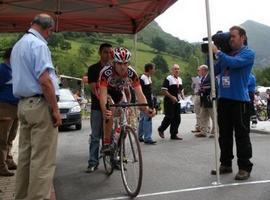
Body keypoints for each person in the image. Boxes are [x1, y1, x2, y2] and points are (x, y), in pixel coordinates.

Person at [11, 14, 61, 199]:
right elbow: (45, 81)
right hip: (40, 105)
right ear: (48, 30)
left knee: (25, 157)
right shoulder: (39, 45)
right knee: (42, 160)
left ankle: (21, 196)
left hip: (23, 104)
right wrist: (55, 110)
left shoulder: (18, 45)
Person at [211, 25, 255, 180]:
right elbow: (213, 71)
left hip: (239, 100)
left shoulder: (248, 53)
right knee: (224, 135)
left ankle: (244, 167)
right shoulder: (225, 55)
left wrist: (218, 52)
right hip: (224, 100)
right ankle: (226, 164)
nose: (230, 39)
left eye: (233, 36)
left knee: (242, 135)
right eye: (229, 37)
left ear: (242, 37)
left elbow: (234, 63)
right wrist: (211, 55)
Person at [99, 47, 155, 152]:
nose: (123, 67)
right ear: (114, 63)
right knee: (109, 110)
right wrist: (104, 110)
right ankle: (106, 142)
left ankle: (119, 142)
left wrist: (146, 109)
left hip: (119, 93)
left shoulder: (131, 73)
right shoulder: (106, 73)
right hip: (107, 92)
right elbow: (102, 95)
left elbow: (140, 93)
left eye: (125, 64)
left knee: (125, 114)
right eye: (119, 64)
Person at [86, 43, 112, 173]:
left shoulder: (114, 69)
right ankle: (93, 162)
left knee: (110, 135)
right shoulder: (93, 69)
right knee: (96, 135)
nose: (108, 55)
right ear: (100, 53)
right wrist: (103, 98)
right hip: (97, 107)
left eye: (110, 52)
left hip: (112, 107)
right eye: (105, 52)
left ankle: (112, 160)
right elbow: (94, 88)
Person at [0, 48, 19, 176]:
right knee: (2, 138)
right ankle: (1, 166)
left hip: (15, 106)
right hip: (4, 106)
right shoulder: (2, 69)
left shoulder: (14, 70)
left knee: (11, 136)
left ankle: (8, 159)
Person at [158, 64, 184, 140]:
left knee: (177, 118)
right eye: (175, 69)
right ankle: (161, 129)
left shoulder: (180, 79)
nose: (177, 70)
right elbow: (163, 90)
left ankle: (173, 134)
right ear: (172, 70)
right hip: (169, 101)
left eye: (178, 69)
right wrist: (171, 97)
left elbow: (180, 89)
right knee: (169, 117)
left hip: (177, 101)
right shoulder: (168, 78)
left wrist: (182, 94)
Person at [138, 63, 157, 144]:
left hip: (146, 101)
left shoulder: (148, 78)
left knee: (142, 119)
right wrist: (150, 105)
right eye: (154, 68)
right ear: (149, 69)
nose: (154, 70)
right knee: (148, 119)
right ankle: (147, 138)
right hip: (145, 102)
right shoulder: (143, 78)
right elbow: (145, 94)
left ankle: (140, 136)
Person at [195, 65, 215, 138]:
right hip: (203, 100)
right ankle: (203, 131)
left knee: (213, 116)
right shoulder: (202, 78)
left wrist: (202, 88)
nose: (199, 72)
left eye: (200, 70)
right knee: (203, 116)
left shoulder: (211, 77)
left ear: (204, 70)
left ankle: (215, 132)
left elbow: (213, 86)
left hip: (210, 100)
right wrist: (198, 90)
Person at [191, 66, 203, 133]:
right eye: (198, 70)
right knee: (197, 112)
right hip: (197, 95)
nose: (198, 71)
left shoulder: (205, 78)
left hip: (202, 96)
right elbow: (192, 87)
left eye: (200, 70)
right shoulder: (196, 78)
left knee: (204, 113)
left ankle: (204, 127)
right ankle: (198, 127)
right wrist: (194, 83)